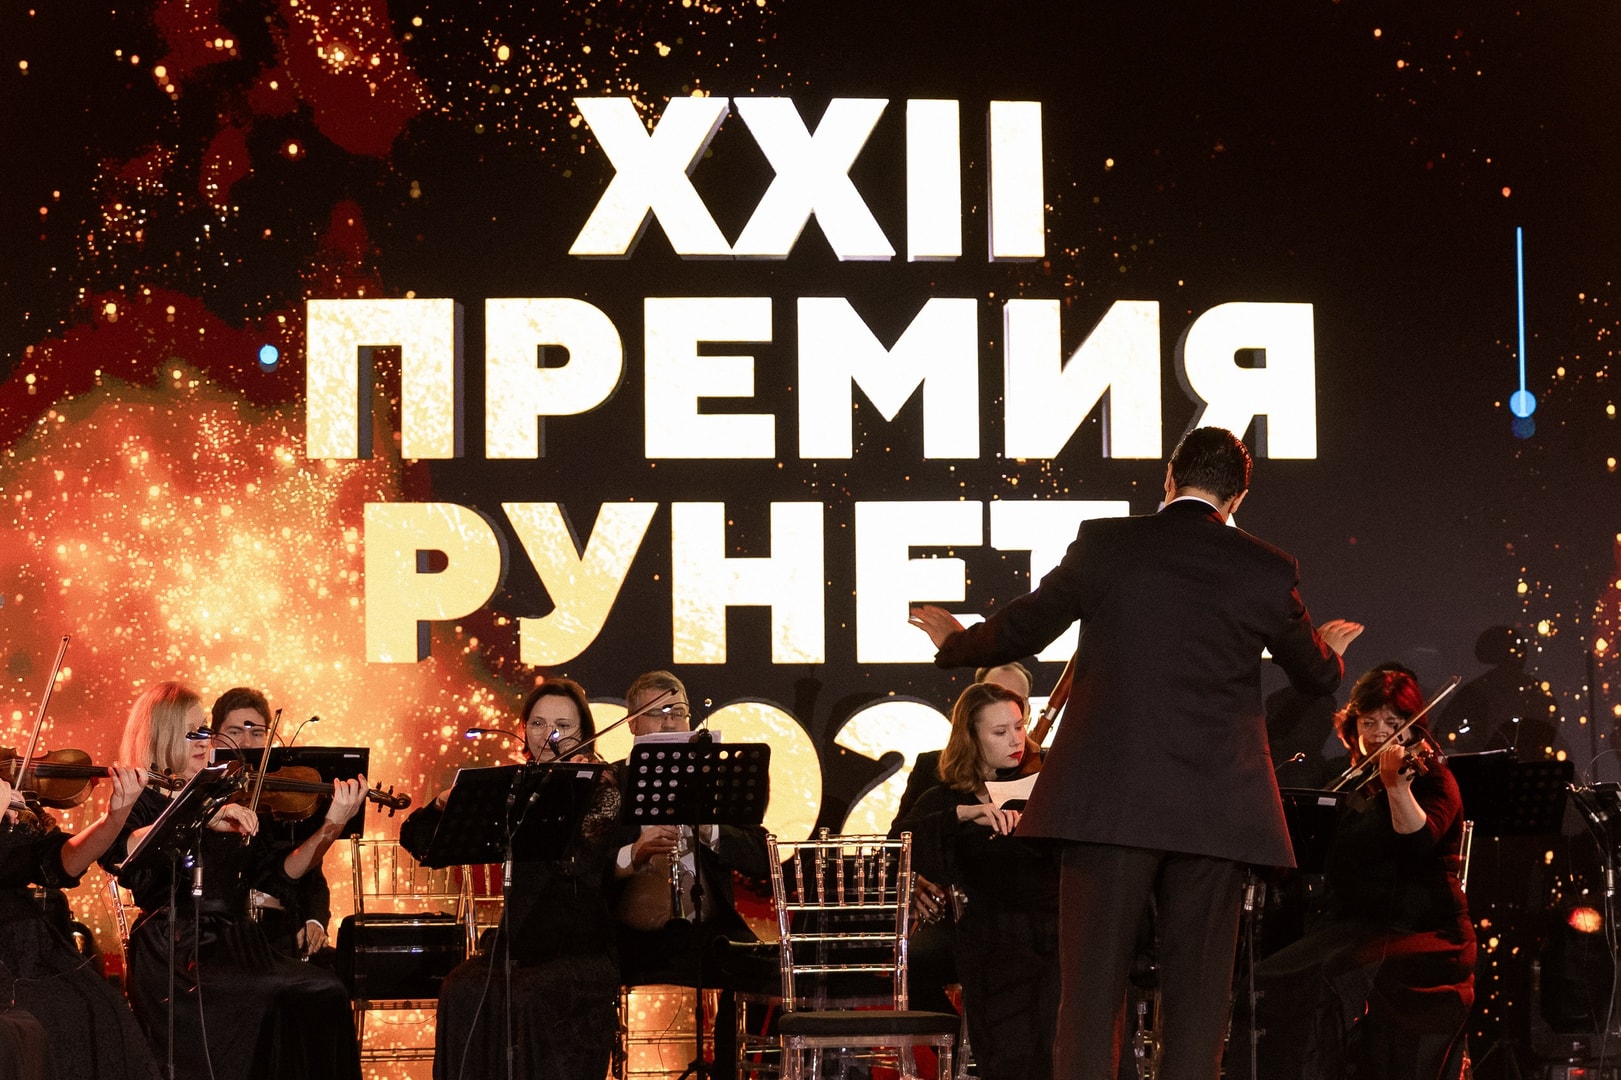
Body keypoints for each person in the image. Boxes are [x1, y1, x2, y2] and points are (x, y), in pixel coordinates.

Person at [910, 426, 1362, 1080]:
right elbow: (1316, 676)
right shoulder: (1265, 568)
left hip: (1108, 803)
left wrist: (957, 642)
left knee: (1090, 995)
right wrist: (1330, 653)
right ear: (1237, 499)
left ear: (1169, 479)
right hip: (1215, 809)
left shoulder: (1106, 545)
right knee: (1198, 1001)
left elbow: (1025, 626)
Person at [102, 681, 366, 1080]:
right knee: (269, 996)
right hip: (176, 948)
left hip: (237, 941)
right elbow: (123, 853)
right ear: (161, 735)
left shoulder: (225, 795)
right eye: (191, 732)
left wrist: (332, 825)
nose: (204, 740)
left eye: (204, 730)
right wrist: (199, 814)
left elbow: (280, 874)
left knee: (326, 992)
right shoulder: (138, 798)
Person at [1254, 667, 1475, 1079]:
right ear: (1352, 727)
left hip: (1423, 931)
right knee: (1272, 977)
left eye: (1393, 722)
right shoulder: (1347, 782)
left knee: (1329, 978)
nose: (1379, 733)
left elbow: (1418, 841)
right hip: (1360, 927)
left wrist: (1396, 787)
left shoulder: (1432, 779)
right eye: (1368, 722)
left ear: (1412, 725)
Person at [399, 677, 621, 1080]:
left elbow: (582, 865)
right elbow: (421, 844)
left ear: (585, 733)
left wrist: (566, 798)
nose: (550, 735)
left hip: (580, 948)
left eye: (563, 726)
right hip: (517, 943)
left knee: (527, 995)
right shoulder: (514, 790)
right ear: (524, 730)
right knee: (459, 988)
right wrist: (442, 805)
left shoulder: (603, 790)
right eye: (538, 724)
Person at [609, 670, 770, 1080]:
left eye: (678, 712)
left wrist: (710, 831)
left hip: (707, 932)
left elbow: (761, 855)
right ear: (632, 724)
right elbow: (589, 865)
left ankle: (730, 1072)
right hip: (628, 936)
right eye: (656, 713)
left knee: (768, 969)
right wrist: (635, 851)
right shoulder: (611, 782)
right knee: (581, 971)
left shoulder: (717, 781)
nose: (669, 722)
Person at [895, 681, 1059, 1080]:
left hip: (1045, 929)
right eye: (1000, 732)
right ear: (971, 737)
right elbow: (898, 844)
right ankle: (964, 1055)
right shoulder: (945, 795)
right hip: (979, 932)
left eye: (1019, 727)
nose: (1016, 740)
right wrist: (966, 815)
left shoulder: (1049, 780)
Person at [0, 766, 161, 1079]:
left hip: (27, 943)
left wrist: (114, 818)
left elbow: (60, 860)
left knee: (100, 1007)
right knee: (36, 1022)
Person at [210, 686, 334, 961]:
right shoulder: (206, 798)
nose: (247, 743)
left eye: (256, 733)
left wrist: (314, 921)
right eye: (235, 732)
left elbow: (313, 877)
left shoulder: (283, 803)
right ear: (215, 739)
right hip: (222, 934)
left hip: (282, 931)